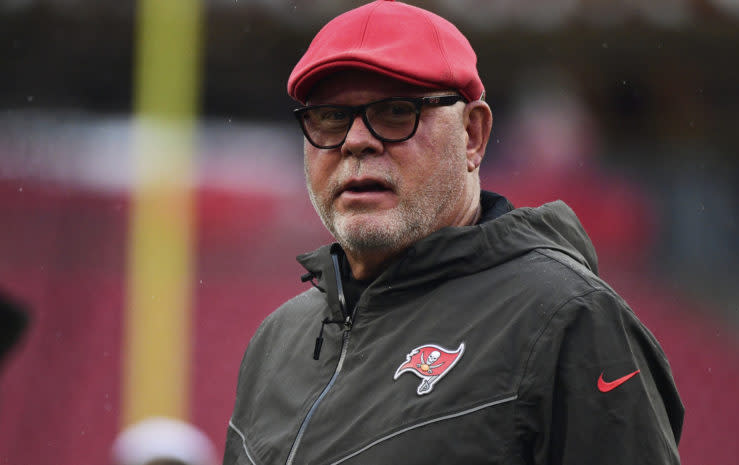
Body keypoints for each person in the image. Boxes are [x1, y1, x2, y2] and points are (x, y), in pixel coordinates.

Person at [224, 1, 684, 464]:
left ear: (472, 135)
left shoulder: (568, 318)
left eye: (395, 111)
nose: (355, 140)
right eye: (329, 116)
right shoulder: (275, 342)